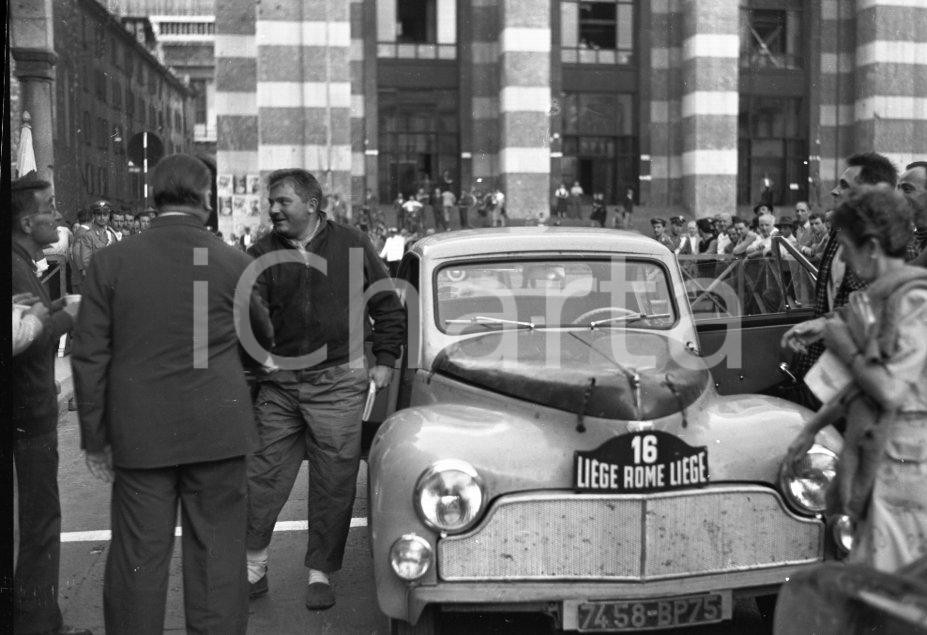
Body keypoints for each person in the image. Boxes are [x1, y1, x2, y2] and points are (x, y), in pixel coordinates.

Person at [71, 155, 269, 634]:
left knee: (138, 558)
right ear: (205, 201)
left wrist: (95, 439)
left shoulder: (111, 262)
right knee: (219, 560)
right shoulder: (234, 262)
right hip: (218, 430)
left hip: (142, 434)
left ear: (151, 198)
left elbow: (89, 356)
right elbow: (262, 344)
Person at [244, 168, 405, 610]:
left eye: (283, 202)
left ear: (311, 205)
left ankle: (320, 573)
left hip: (338, 384)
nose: (273, 209)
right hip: (280, 387)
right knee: (261, 476)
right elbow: (244, 320)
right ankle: (253, 568)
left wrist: (385, 360)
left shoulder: (352, 244)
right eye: (271, 202)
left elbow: (387, 304)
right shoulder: (260, 253)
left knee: (334, 482)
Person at [784, 189, 927, 572]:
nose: (842, 256)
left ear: (873, 246)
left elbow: (888, 389)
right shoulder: (878, 301)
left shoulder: (915, 302)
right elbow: (863, 388)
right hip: (883, 465)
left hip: (905, 476)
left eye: (846, 246)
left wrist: (845, 345)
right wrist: (813, 427)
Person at [11, 173, 87, 635]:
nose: (57, 215)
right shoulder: (16, 265)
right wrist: (63, 318)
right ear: (25, 221)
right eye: (49, 207)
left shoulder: (22, 259)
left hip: (29, 410)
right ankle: (39, 625)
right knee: (39, 525)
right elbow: (23, 337)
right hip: (28, 412)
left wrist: (58, 310)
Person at [784, 152, 898, 382]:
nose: (834, 191)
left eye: (844, 185)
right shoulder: (839, 230)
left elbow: (873, 306)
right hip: (822, 367)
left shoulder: (895, 248)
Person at [73, 201, 116, 292]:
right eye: (98, 214)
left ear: (108, 216)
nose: (102, 218)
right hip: (95, 278)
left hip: (109, 278)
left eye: (105, 214)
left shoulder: (110, 235)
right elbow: (86, 261)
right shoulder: (88, 235)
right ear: (94, 216)